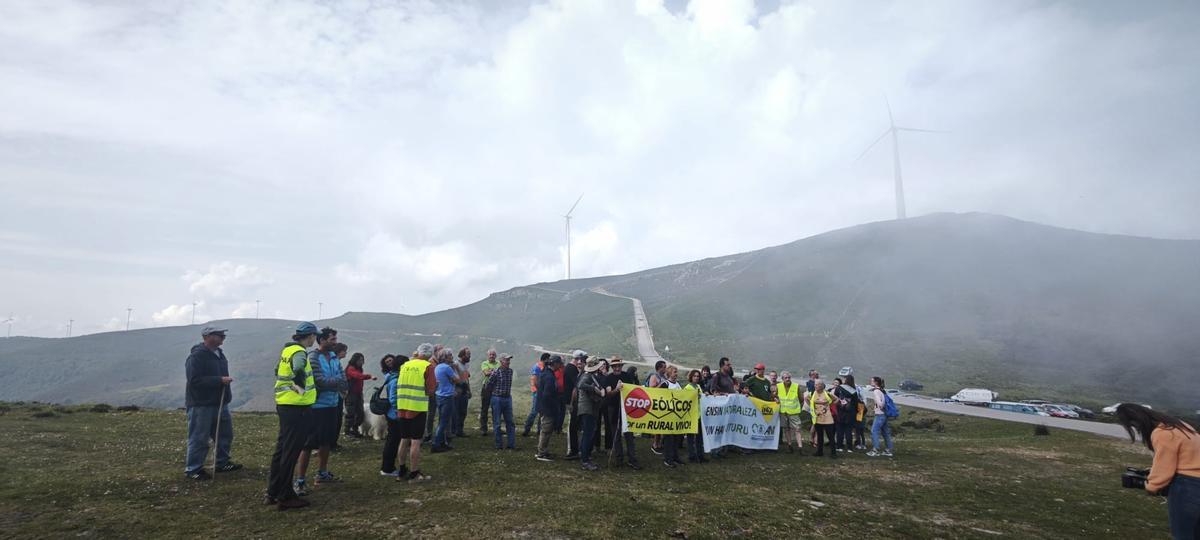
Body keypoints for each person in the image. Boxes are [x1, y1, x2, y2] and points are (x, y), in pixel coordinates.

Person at [1115, 403, 1200, 538]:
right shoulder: (1179, 425)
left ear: (1136, 421)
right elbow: (1186, 456)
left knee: (1182, 535)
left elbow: (1164, 468)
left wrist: (1151, 486)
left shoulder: (1162, 433)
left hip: (1188, 486)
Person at [265, 321, 319, 510]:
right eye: (314, 336)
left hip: (285, 404)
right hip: (297, 407)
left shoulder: (286, 351)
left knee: (282, 450)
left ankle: (273, 491)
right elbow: (297, 371)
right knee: (291, 452)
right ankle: (285, 496)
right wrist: (301, 391)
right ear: (310, 336)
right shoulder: (299, 352)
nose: (315, 340)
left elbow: (277, 371)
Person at [295, 327, 347, 494]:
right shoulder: (313, 357)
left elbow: (343, 379)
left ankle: (322, 473)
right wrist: (336, 382)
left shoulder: (333, 357)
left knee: (326, 442)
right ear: (322, 340)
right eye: (332, 339)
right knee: (308, 444)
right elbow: (319, 381)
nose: (335, 342)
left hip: (332, 405)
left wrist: (336, 382)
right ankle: (300, 480)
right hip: (316, 407)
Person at [184, 326, 239, 480]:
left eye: (223, 335)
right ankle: (193, 469)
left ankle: (222, 463)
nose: (223, 337)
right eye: (219, 335)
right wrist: (219, 380)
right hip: (201, 404)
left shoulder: (220, 354)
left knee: (225, 434)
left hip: (220, 402)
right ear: (207, 337)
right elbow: (194, 380)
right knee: (199, 437)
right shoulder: (197, 356)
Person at [393, 344, 436, 482]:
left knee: (404, 439)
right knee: (416, 441)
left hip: (402, 406)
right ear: (430, 354)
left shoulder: (405, 365)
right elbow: (430, 391)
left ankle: (401, 471)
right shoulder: (428, 366)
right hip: (417, 407)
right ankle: (414, 473)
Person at [609, 357, 642, 470]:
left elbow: (633, 390)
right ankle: (619, 459)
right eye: (615, 366)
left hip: (627, 409)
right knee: (616, 435)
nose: (617, 368)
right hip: (613, 409)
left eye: (619, 366)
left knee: (629, 435)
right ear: (612, 367)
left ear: (621, 366)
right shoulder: (608, 378)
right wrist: (616, 389)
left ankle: (632, 459)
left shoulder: (626, 376)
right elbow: (608, 394)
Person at [576, 358, 608, 471]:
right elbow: (581, 385)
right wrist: (594, 389)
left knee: (589, 433)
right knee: (588, 434)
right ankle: (585, 460)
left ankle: (585, 455)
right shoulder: (587, 376)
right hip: (587, 409)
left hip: (590, 409)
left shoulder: (591, 376)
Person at [431, 348, 461, 453]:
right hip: (447, 396)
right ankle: (436, 444)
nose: (452, 357)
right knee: (444, 421)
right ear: (446, 357)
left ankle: (443, 442)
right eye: (450, 355)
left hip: (439, 395)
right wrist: (455, 369)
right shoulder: (447, 368)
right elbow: (458, 379)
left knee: (442, 420)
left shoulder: (438, 367)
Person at [708, 357, 738, 459]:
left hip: (729, 408)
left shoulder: (729, 376)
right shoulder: (717, 376)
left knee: (726, 428)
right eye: (727, 365)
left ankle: (723, 450)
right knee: (719, 429)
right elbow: (713, 390)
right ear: (722, 366)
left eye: (730, 365)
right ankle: (714, 450)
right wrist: (722, 394)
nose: (730, 366)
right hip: (721, 408)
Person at [535, 356, 563, 461]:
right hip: (548, 408)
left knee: (544, 430)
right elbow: (547, 395)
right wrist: (553, 407)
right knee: (546, 430)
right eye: (559, 364)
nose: (560, 366)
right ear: (554, 364)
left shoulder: (545, 373)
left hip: (543, 406)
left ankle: (542, 450)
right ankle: (542, 452)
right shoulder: (550, 377)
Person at [378, 354, 401, 475]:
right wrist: (398, 411)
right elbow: (392, 398)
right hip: (393, 414)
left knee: (392, 440)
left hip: (391, 413)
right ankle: (387, 468)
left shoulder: (391, 376)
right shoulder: (393, 378)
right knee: (392, 440)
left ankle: (389, 466)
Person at [490, 354, 517, 450]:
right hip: (497, 398)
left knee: (510, 422)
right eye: (506, 360)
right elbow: (489, 384)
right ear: (501, 362)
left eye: (509, 360)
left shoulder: (510, 371)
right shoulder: (496, 372)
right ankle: (499, 445)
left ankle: (511, 445)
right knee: (497, 423)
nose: (508, 362)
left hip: (507, 398)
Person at [343, 352, 374, 438]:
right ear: (355, 360)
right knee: (351, 412)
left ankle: (355, 429)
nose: (361, 362)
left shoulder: (358, 368)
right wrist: (369, 376)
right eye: (359, 360)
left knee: (360, 413)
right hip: (351, 394)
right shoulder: (350, 369)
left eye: (362, 360)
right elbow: (357, 376)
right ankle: (348, 431)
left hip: (358, 393)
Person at [563, 350, 586, 460]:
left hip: (573, 401)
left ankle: (575, 449)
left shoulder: (570, 368)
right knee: (572, 427)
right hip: (572, 402)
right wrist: (571, 403)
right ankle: (572, 449)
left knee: (574, 426)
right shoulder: (571, 369)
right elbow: (575, 387)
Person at [776, 371, 805, 454]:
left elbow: (801, 399)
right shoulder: (778, 386)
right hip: (783, 412)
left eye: (789, 377)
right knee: (786, 429)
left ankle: (800, 448)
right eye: (786, 378)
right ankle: (790, 446)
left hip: (793, 412)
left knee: (797, 429)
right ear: (782, 379)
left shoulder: (796, 386)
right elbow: (776, 396)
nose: (788, 379)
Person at [523, 353, 549, 437]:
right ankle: (527, 429)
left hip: (542, 392)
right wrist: (541, 390)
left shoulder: (545, 367)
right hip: (537, 392)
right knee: (535, 411)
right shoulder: (537, 367)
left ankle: (539, 430)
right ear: (545, 359)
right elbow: (535, 381)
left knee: (542, 412)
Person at [866, 376, 894, 458]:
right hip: (884, 414)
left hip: (880, 414)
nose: (870, 382)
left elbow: (880, 404)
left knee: (874, 431)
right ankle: (888, 450)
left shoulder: (876, 391)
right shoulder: (882, 391)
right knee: (885, 433)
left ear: (875, 382)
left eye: (872, 381)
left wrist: (878, 406)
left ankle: (876, 450)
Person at [809, 380, 837, 459]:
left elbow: (836, 399)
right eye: (815, 385)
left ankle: (833, 452)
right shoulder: (812, 393)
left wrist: (831, 406)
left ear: (821, 386)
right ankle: (819, 451)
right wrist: (812, 409)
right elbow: (806, 399)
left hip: (828, 418)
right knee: (820, 436)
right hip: (817, 418)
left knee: (830, 436)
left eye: (817, 385)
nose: (815, 386)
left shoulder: (827, 393)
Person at [834, 375, 861, 453]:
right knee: (848, 430)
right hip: (850, 412)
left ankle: (839, 446)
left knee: (840, 430)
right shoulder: (854, 391)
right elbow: (856, 403)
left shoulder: (839, 388)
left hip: (840, 411)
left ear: (845, 380)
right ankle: (849, 448)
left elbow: (835, 397)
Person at [331, 342, 350, 449]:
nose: (346, 353)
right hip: (337, 395)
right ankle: (332, 443)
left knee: (338, 419)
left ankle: (333, 442)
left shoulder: (336, 362)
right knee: (336, 419)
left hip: (339, 394)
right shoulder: (334, 363)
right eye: (344, 351)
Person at [684, 369, 706, 463]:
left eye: (697, 376)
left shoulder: (698, 386)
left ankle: (700, 455)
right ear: (691, 377)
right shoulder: (688, 387)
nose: (696, 378)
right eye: (694, 376)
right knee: (690, 437)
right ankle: (692, 455)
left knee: (699, 437)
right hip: (691, 415)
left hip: (699, 414)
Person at [478, 349, 500, 435]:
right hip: (486, 388)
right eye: (490, 354)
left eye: (493, 354)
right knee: (485, 408)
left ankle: (496, 428)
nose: (492, 356)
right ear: (488, 356)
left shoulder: (499, 363)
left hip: (496, 388)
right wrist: (496, 371)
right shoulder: (484, 363)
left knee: (496, 409)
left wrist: (491, 371)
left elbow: (496, 372)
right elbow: (486, 373)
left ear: (496, 356)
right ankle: (483, 428)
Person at [452, 347, 472, 438]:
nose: (469, 356)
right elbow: (454, 379)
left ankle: (459, 430)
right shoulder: (456, 364)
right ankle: (454, 430)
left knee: (463, 412)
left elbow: (466, 378)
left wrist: (469, 390)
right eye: (468, 354)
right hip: (458, 391)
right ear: (462, 355)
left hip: (464, 391)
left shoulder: (466, 365)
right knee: (456, 411)